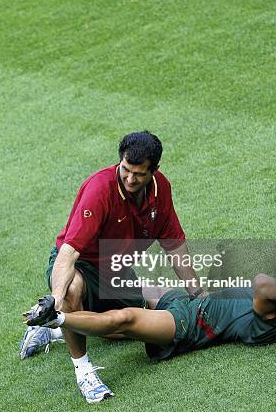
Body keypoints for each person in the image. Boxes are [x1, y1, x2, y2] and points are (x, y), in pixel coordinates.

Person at [19, 131, 205, 403]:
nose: (130, 179)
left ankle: (54, 329)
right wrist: (55, 301)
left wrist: (198, 295)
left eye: (139, 174)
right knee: (72, 292)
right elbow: (69, 253)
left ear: (155, 170)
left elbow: (174, 246)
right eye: (126, 170)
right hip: (82, 264)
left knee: (139, 326)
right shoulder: (100, 190)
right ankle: (84, 371)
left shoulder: (160, 189)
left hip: (115, 270)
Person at [24, 238, 276, 403]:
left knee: (123, 320)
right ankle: (56, 332)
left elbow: (262, 281)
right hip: (188, 302)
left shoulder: (272, 320)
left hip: (186, 327)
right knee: (118, 295)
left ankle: (58, 318)